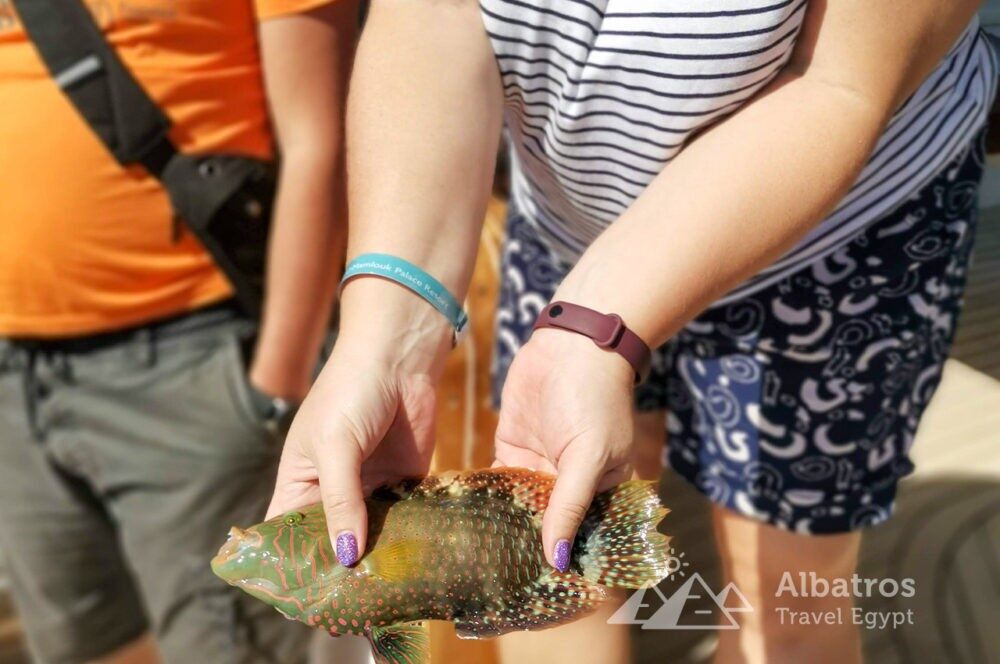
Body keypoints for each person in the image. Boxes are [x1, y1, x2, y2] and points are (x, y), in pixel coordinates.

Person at [267, 0, 995, 662]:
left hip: (837, 248)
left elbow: (839, 81)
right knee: (550, 584)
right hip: (570, 233)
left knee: (785, 606)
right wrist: (385, 338)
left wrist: (592, 329)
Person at [0, 1, 357, 662]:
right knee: (87, 647)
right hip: (15, 380)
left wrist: (276, 382)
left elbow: (323, 142)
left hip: (193, 368)